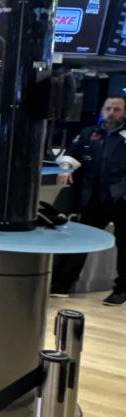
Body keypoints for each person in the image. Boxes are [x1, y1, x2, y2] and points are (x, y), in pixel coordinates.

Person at [50, 95, 126, 304]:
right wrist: (65, 168)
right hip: (91, 198)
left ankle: (121, 290)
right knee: (80, 241)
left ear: (124, 112)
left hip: (120, 200)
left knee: (125, 245)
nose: (111, 113)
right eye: (108, 108)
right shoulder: (89, 134)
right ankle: (62, 285)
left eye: (116, 109)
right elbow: (70, 156)